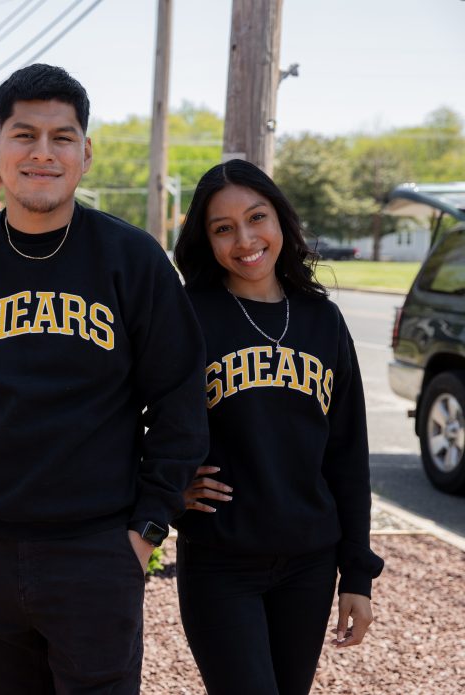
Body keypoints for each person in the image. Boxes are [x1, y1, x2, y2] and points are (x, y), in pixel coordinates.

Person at [0, 64, 209, 694]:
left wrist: (145, 531)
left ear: (85, 153)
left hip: (96, 552)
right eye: (24, 134)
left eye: (62, 137)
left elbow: (178, 399)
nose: (42, 152)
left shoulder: (131, 259)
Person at [172, 158, 384, 695]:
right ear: (207, 239)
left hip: (309, 565)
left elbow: (347, 453)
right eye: (223, 228)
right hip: (220, 563)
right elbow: (124, 413)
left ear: (280, 221)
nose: (245, 239)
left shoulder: (321, 319)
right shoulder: (186, 315)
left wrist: (356, 575)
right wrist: (167, 486)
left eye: (257, 217)